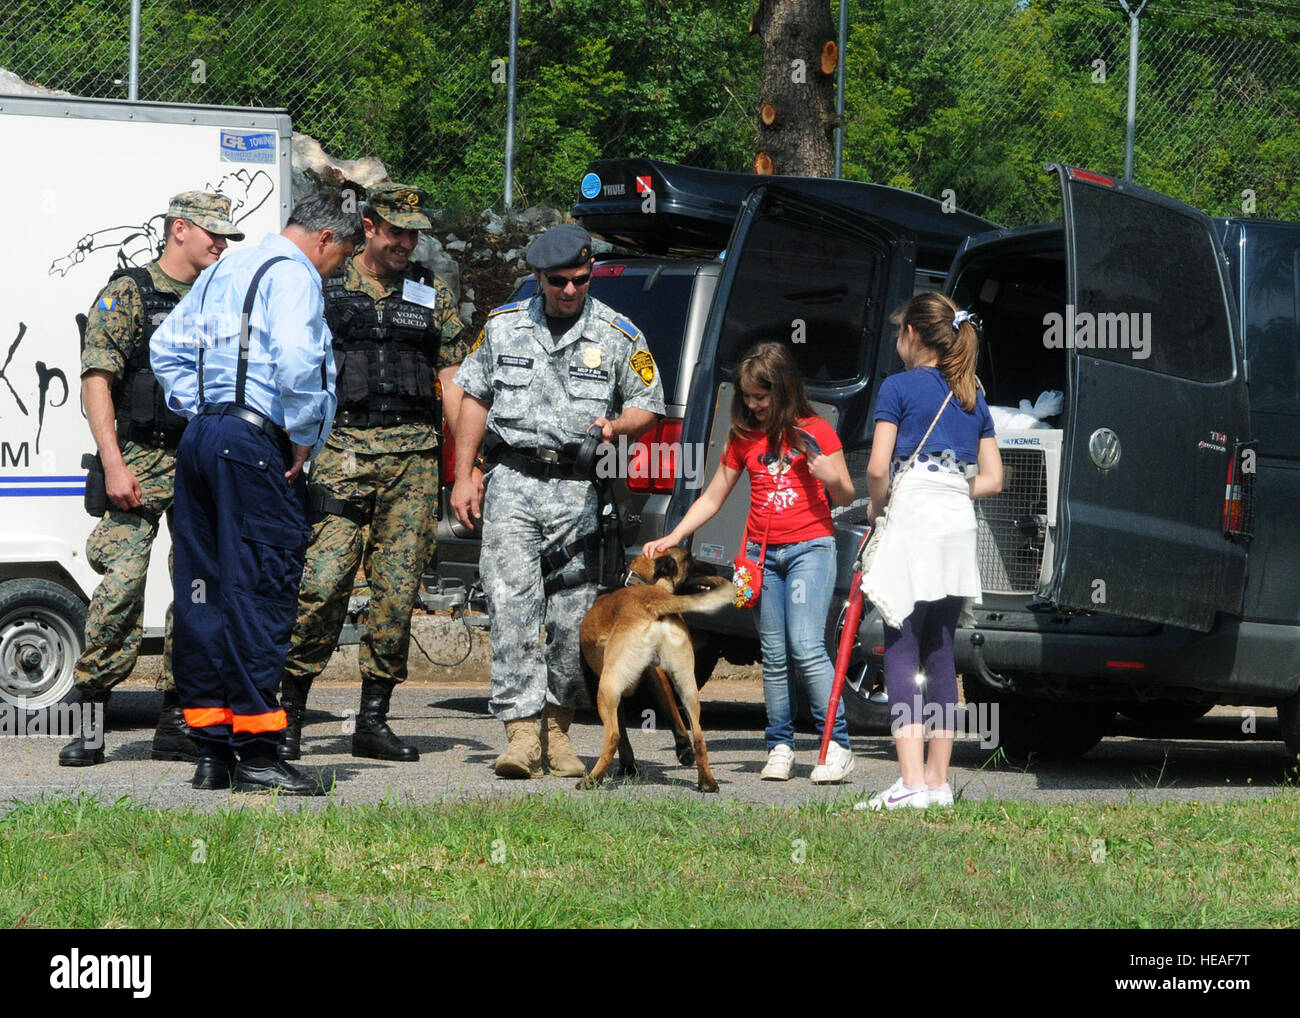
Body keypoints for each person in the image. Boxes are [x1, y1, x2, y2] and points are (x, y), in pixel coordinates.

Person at [150, 191, 362, 795]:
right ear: (324, 239)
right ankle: (261, 755)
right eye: (342, 256)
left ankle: (212, 752)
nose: (339, 270)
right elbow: (298, 361)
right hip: (253, 447)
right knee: (261, 590)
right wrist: (298, 434)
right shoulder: (292, 275)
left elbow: (166, 349)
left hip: (201, 441)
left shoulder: (220, 270)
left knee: (203, 593)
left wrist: (207, 414)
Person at [451, 223, 664, 779]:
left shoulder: (618, 333)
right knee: (512, 604)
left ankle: (559, 729)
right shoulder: (503, 328)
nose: (570, 291)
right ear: (538, 277)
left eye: (579, 280)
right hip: (513, 484)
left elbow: (649, 403)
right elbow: (472, 395)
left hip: (578, 491)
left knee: (573, 616)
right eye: (557, 282)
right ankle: (520, 735)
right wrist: (464, 472)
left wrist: (618, 426)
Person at [276, 184, 472, 763]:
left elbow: (455, 377)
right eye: (396, 231)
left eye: (413, 234)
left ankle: (373, 721)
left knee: (397, 595)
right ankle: (287, 718)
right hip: (342, 454)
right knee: (322, 585)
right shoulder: (324, 284)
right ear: (368, 226)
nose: (405, 243)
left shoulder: (431, 292)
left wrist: (465, 466)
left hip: (412, 464)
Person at [59, 192, 244, 768]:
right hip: (138, 455)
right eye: (212, 233)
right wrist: (112, 461)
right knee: (121, 587)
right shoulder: (130, 292)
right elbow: (96, 379)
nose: (220, 243)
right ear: (179, 229)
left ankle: (177, 718)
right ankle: (89, 717)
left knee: (198, 593)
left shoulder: (224, 296)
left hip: (200, 457)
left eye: (227, 236)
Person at [644, 341, 857, 784]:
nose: (754, 405)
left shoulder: (816, 430)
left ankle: (835, 745)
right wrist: (675, 534)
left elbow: (845, 495)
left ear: (783, 390)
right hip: (762, 556)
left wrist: (828, 475)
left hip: (810, 549)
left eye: (762, 397)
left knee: (806, 646)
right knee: (774, 655)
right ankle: (780, 745)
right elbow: (714, 494)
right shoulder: (744, 436)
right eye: (748, 397)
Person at [861, 293, 1002, 810]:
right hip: (956, 521)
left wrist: (879, 506)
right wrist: (949, 491)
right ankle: (940, 783)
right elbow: (993, 478)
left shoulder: (897, 387)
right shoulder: (972, 395)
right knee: (942, 650)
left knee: (901, 645)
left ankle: (911, 781)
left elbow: (878, 469)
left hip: (914, 514)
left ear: (913, 335)